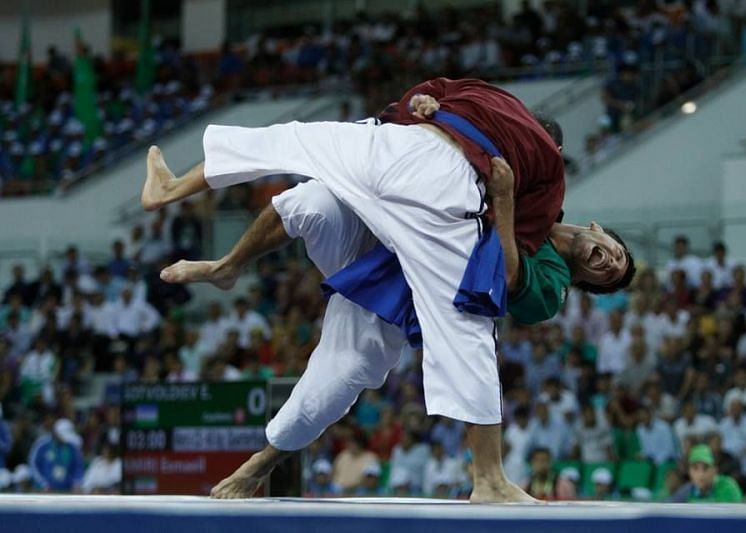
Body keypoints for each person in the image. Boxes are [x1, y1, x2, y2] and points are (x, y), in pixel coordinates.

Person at [141, 82, 634, 502]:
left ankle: (260, 463)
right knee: (308, 198)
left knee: (351, 370)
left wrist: (502, 199)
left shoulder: (548, 264)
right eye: (615, 253)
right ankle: (224, 259)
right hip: (377, 212)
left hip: (401, 276)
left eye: (608, 276)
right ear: (599, 228)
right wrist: (421, 106)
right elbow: (427, 95)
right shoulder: (514, 169)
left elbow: (502, 280)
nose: (608, 263)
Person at [671, 444, 743, 503]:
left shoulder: (728, 486)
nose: (701, 474)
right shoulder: (687, 491)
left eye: (705, 468)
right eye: (695, 468)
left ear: (715, 470)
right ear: (689, 471)